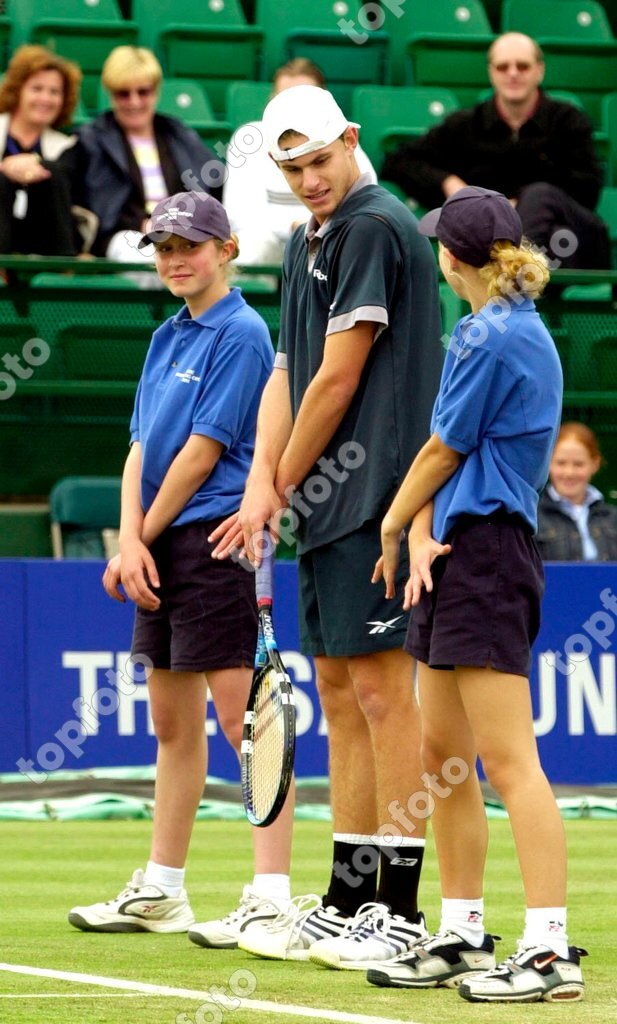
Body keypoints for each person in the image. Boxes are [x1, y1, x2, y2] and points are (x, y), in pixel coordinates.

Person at [210, 85, 443, 969]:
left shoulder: (373, 226)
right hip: (324, 507)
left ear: (349, 141)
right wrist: (263, 484)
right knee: (344, 698)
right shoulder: (309, 241)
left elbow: (338, 382)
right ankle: (350, 896)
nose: (309, 179)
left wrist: (278, 484)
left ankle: (402, 906)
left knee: (384, 697)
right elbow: (285, 375)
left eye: (319, 160)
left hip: (380, 499)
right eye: (292, 167)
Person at [370, 186, 587, 1002]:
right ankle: (460, 932)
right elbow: (447, 452)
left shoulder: (493, 335)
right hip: (457, 554)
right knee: (443, 757)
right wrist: (423, 532)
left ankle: (547, 950)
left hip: (489, 555)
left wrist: (393, 525)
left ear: (450, 258)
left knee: (507, 761)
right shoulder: (483, 328)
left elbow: (438, 449)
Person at [67, 191, 294, 944]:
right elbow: (140, 448)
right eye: (162, 249)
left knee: (247, 722)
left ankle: (272, 894)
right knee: (171, 724)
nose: (172, 260)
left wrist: (142, 536)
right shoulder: (168, 332)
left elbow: (201, 455)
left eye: (187, 247)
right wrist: (129, 538)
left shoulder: (242, 332)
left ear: (225, 248)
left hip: (215, 543)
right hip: (160, 544)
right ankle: (163, 889)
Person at [382, 32, 610, 270]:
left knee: (540, 197)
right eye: (503, 67)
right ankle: (514, 278)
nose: (513, 73)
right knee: (544, 247)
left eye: (522, 66)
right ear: (491, 72)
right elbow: (398, 161)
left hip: (572, 234)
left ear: (539, 71)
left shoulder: (568, 121)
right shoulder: (466, 125)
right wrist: (448, 182)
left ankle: (509, 277)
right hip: (518, 246)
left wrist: (522, 206)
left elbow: (588, 191)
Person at [223, 58, 377, 266]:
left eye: (321, 161)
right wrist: (295, 227)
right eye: (283, 98)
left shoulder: (339, 139)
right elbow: (240, 215)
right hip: (265, 255)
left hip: (330, 246)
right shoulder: (247, 139)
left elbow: (366, 204)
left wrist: (315, 228)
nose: (310, 182)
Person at [78, 47, 222, 261]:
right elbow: (102, 205)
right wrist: (142, 223)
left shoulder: (178, 134)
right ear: (111, 95)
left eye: (143, 92)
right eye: (123, 94)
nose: (134, 102)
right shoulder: (92, 140)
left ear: (156, 92)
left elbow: (210, 188)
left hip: (182, 230)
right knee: (149, 257)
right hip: (125, 236)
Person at [0, 45, 90, 256]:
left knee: (53, 172)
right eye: (37, 89)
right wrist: (6, 169)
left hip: (44, 241)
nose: (45, 99)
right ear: (18, 90)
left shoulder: (67, 146)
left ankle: (63, 269)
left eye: (54, 92)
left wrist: (32, 166)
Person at [536, 421, 617, 560]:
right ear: (548, 463)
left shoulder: (612, 518)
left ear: (595, 464)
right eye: (561, 463)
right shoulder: (533, 519)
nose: (569, 473)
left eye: (578, 464)